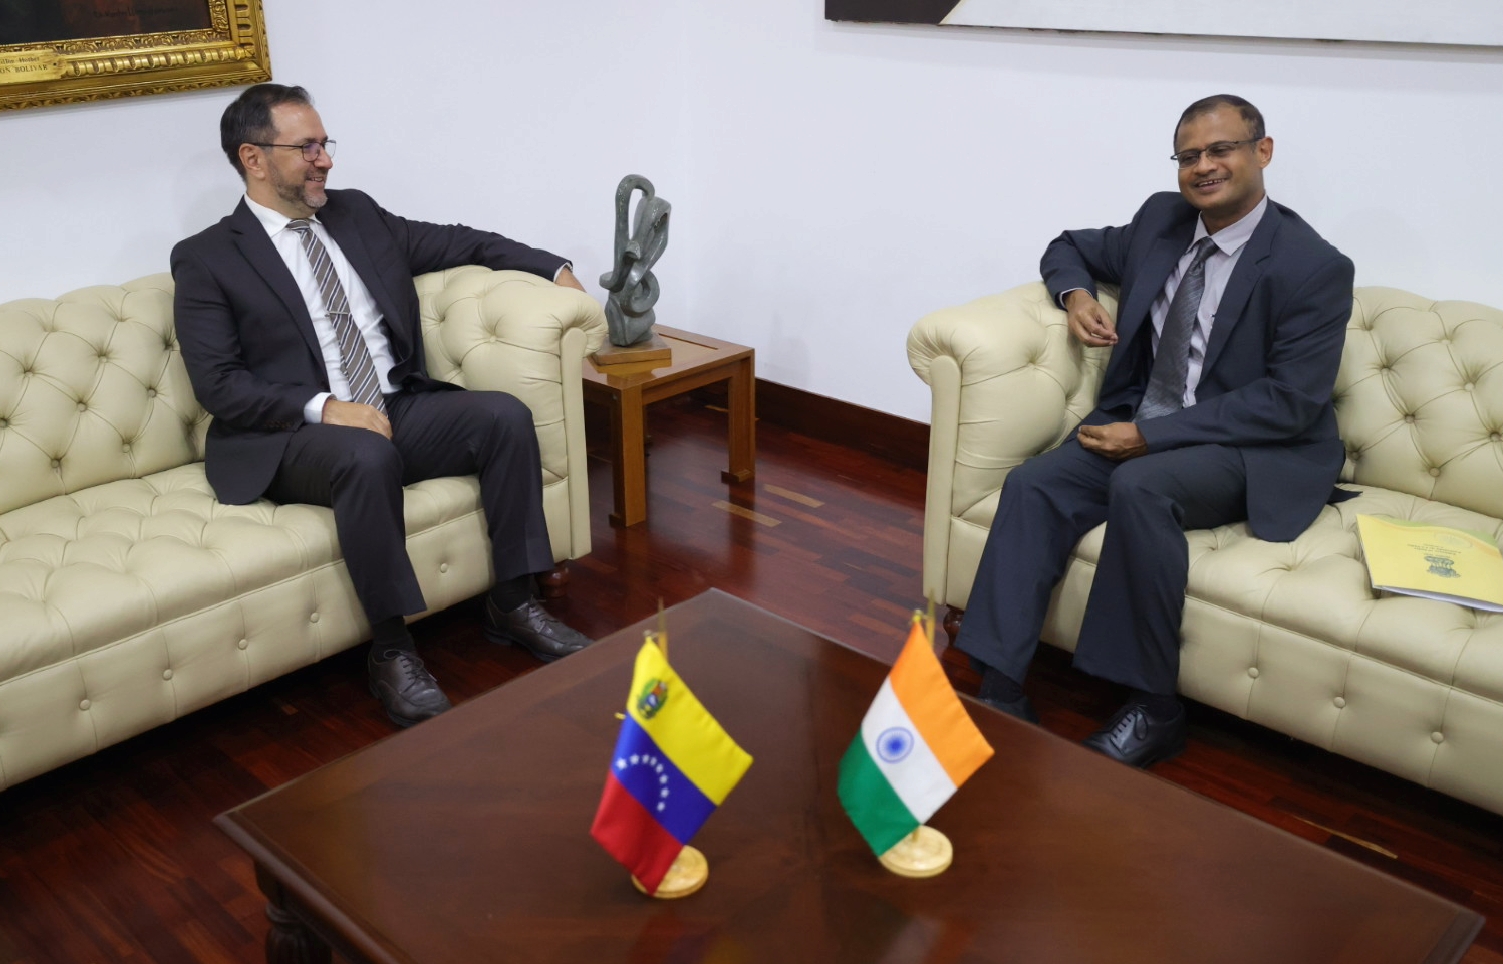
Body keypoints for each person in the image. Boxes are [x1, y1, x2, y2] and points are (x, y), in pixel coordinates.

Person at [172, 83, 595, 728]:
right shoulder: (208, 257)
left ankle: (514, 601)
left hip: (392, 403)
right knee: (366, 455)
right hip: (290, 435)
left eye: (325, 144)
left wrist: (552, 266)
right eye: (306, 148)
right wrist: (323, 406)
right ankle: (393, 650)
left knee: (504, 416)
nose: (325, 160)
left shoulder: (356, 215)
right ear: (253, 158)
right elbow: (219, 384)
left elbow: (460, 242)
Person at [956, 94, 1354, 767]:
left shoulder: (1311, 265)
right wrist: (1076, 295)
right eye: (1188, 156)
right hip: (1143, 421)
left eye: (1221, 149)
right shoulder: (1161, 221)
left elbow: (1288, 402)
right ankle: (998, 684)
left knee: (1140, 486)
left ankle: (1154, 707)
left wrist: (1149, 439)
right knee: (1035, 483)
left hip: (1248, 447)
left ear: (1262, 152)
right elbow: (1067, 246)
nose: (1204, 167)